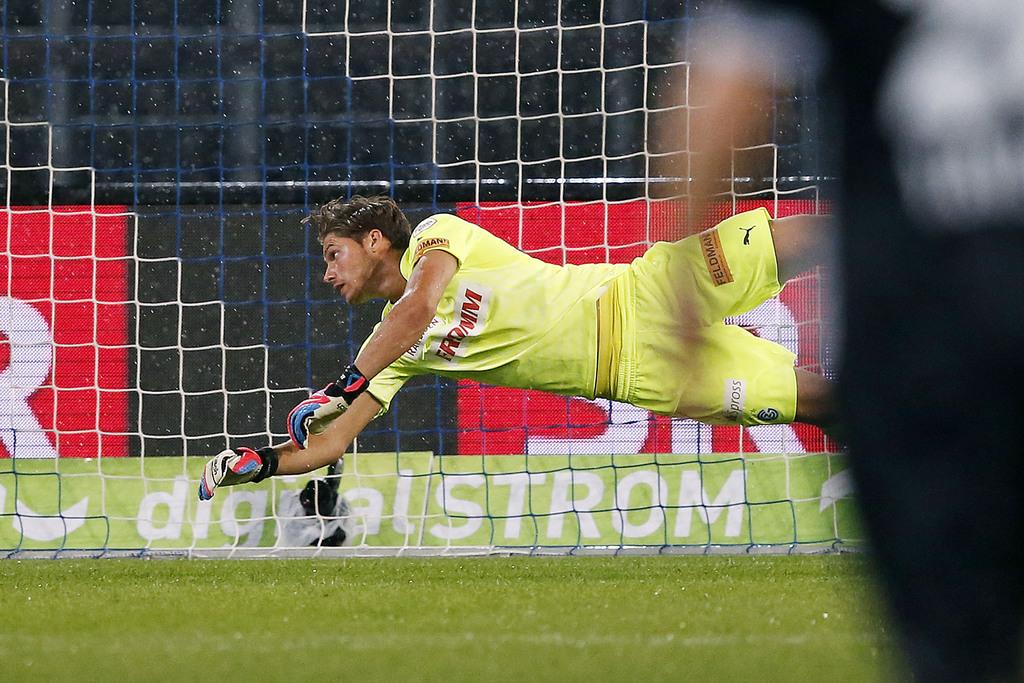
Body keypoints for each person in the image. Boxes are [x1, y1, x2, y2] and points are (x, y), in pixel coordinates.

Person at [677, 3, 1024, 681]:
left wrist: (680, 292)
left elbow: (734, 78)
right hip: (929, 330)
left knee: (957, 642)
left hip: (922, 336)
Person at [198, 194, 836, 498]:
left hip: (643, 294)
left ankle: (919, 240)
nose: (328, 275)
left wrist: (346, 381)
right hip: (646, 375)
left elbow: (419, 307)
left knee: (798, 240)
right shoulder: (392, 349)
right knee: (822, 401)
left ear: (373, 241)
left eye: (334, 255)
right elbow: (331, 443)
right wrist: (259, 462)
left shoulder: (434, 237)